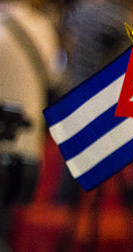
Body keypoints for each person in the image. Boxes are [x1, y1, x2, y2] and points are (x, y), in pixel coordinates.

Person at [0, 0, 64, 249]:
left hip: (11, 145)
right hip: (28, 147)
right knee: (10, 222)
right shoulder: (43, 27)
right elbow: (57, 77)